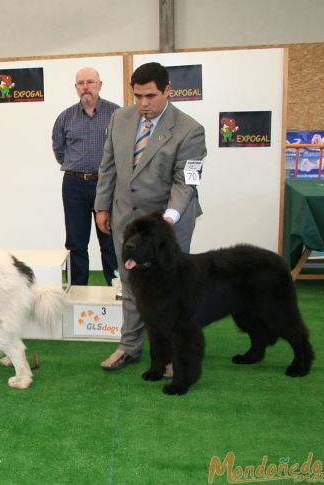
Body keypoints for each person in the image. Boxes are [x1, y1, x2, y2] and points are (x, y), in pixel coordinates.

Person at [95, 62, 207, 371]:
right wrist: (102, 206)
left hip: (168, 225)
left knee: (171, 292)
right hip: (126, 220)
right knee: (131, 284)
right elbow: (108, 167)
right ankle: (129, 347)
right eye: (138, 96)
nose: (143, 104)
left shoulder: (190, 130)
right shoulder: (119, 118)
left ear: (168, 91)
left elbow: (187, 182)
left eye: (151, 96)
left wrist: (168, 219)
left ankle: (173, 355)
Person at [52, 67, 119, 286]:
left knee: (110, 241)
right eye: (80, 83)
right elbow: (59, 149)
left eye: (90, 82)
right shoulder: (65, 117)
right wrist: (76, 167)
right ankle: (78, 290)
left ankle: (116, 288)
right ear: (76, 88)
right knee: (76, 243)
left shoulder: (116, 115)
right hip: (74, 185)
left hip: (107, 185)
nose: (85, 87)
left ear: (100, 85)